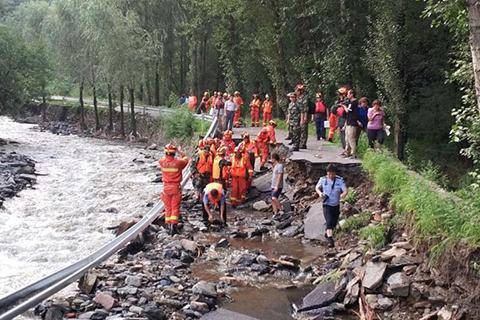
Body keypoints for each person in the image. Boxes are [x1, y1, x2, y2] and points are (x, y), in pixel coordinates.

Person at [159, 143, 189, 235]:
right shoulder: (178, 163)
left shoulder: (161, 162)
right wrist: (181, 152)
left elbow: (163, 159)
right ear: (174, 153)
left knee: (168, 207)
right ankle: (174, 227)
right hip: (175, 187)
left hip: (166, 188)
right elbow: (186, 160)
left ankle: (168, 225)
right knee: (175, 207)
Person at [315, 164, 348, 248]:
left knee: (333, 223)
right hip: (327, 204)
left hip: (335, 205)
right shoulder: (323, 179)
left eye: (332, 174)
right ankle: (330, 241)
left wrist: (343, 195)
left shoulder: (339, 180)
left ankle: (327, 233)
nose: (330, 176)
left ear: (335, 173)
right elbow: (317, 188)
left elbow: (345, 190)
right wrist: (320, 193)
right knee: (329, 222)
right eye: (329, 174)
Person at [343, 89, 361, 159]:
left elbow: (348, 111)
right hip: (348, 122)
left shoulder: (354, 102)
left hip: (353, 123)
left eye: (348, 94)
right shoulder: (350, 102)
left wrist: (344, 106)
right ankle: (347, 152)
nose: (347, 95)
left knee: (351, 139)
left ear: (352, 94)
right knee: (347, 138)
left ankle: (353, 153)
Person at [296, 84, 309, 149]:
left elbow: (305, 109)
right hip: (298, 115)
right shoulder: (298, 97)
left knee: (304, 129)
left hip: (304, 115)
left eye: (298, 90)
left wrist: (304, 118)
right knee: (299, 129)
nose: (296, 91)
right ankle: (299, 142)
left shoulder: (304, 98)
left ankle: (303, 144)